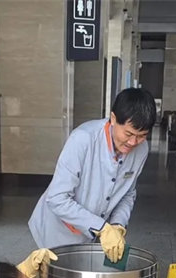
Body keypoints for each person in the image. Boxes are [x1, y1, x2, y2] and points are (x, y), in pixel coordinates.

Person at [28, 88, 157, 263]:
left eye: (142, 136)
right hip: (56, 232)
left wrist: (117, 225)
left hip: (93, 236)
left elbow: (128, 193)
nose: (133, 142)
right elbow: (57, 197)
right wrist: (102, 228)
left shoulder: (141, 150)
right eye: (128, 134)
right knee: (57, 277)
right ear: (113, 119)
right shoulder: (83, 139)